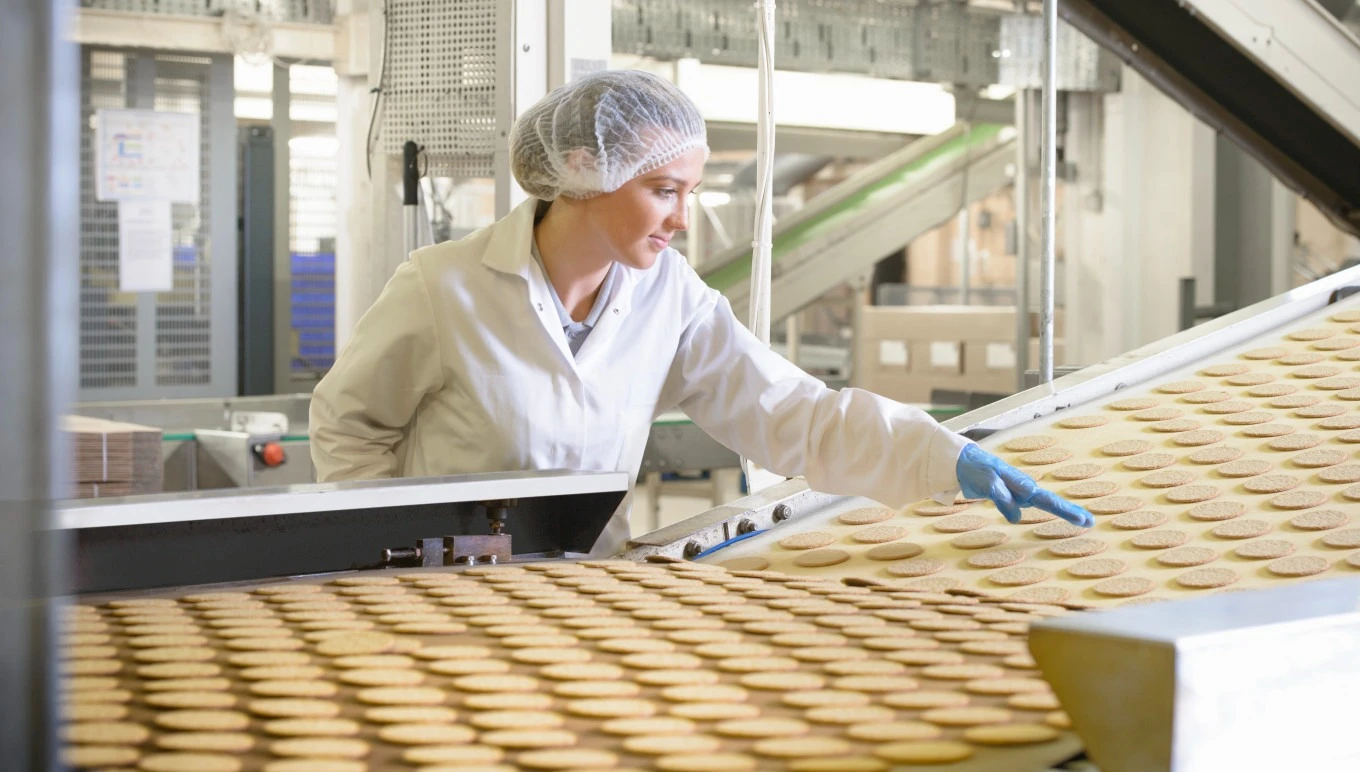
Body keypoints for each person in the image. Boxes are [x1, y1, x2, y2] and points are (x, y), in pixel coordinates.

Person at [310, 70, 1092, 556]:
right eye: (664, 191)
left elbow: (794, 415)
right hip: (437, 594)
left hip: (584, 592)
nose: (682, 217)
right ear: (585, 174)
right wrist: (383, 552)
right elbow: (349, 424)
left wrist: (939, 455)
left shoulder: (668, 294)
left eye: (690, 192)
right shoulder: (445, 285)